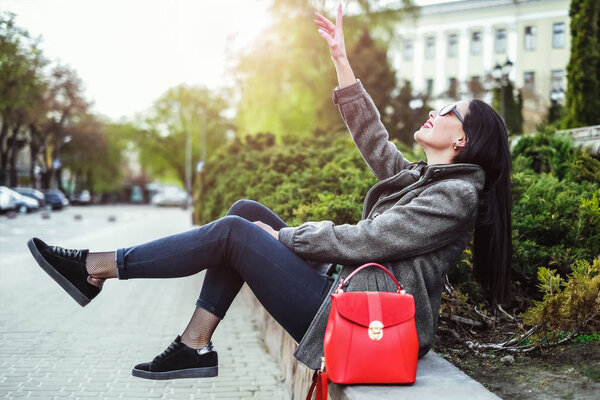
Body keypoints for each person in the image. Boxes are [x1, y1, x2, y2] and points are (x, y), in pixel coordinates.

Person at [27, 3, 512, 381]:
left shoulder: (455, 198)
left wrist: (284, 239)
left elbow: (369, 240)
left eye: (450, 108)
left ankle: (96, 268)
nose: (436, 109)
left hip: (361, 319)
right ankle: (195, 344)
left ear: (462, 138)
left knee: (237, 232)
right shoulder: (425, 180)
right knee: (244, 212)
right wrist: (342, 62)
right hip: (348, 294)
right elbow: (374, 140)